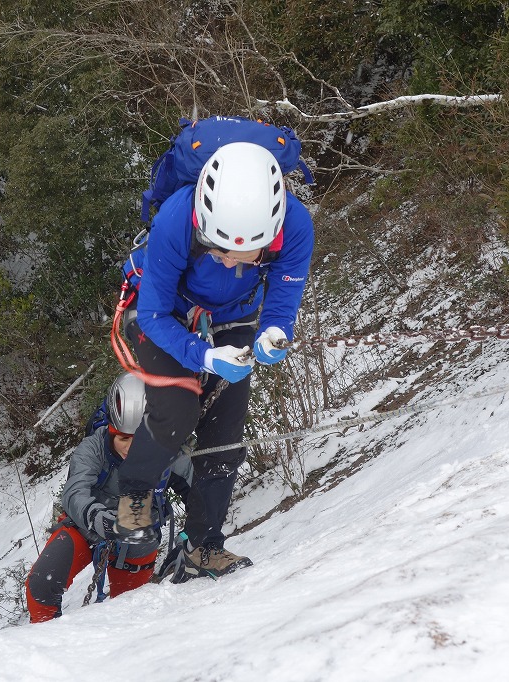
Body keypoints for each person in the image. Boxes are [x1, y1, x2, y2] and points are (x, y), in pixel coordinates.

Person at [112, 140, 314, 582]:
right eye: (215, 248)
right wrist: (202, 355)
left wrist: (273, 335)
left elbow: (282, 301)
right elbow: (153, 314)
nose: (223, 260)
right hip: (164, 312)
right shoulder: (176, 218)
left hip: (234, 315)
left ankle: (202, 545)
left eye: (236, 256)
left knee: (225, 432)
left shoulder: (296, 227)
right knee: (177, 410)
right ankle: (135, 494)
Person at [25, 373, 191, 623]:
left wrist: (190, 538)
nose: (131, 447)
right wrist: (98, 518)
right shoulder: (93, 447)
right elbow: (74, 491)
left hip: (136, 533)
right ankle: (41, 640)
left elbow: (200, 495)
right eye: (123, 438)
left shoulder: (167, 452)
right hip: (84, 526)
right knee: (41, 585)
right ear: (111, 431)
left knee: (128, 611)